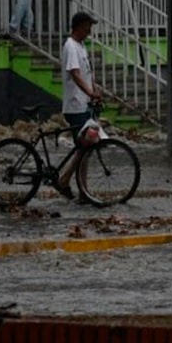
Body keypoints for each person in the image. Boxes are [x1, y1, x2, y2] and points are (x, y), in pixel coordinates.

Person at [55, 11, 102, 201]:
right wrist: (89, 92)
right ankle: (65, 180)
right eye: (88, 26)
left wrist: (95, 88)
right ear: (80, 26)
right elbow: (75, 73)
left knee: (85, 150)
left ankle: (83, 191)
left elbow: (87, 72)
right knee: (86, 145)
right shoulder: (71, 46)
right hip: (75, 106)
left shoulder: (81, 46)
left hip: (85, 105)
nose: (89, 30)